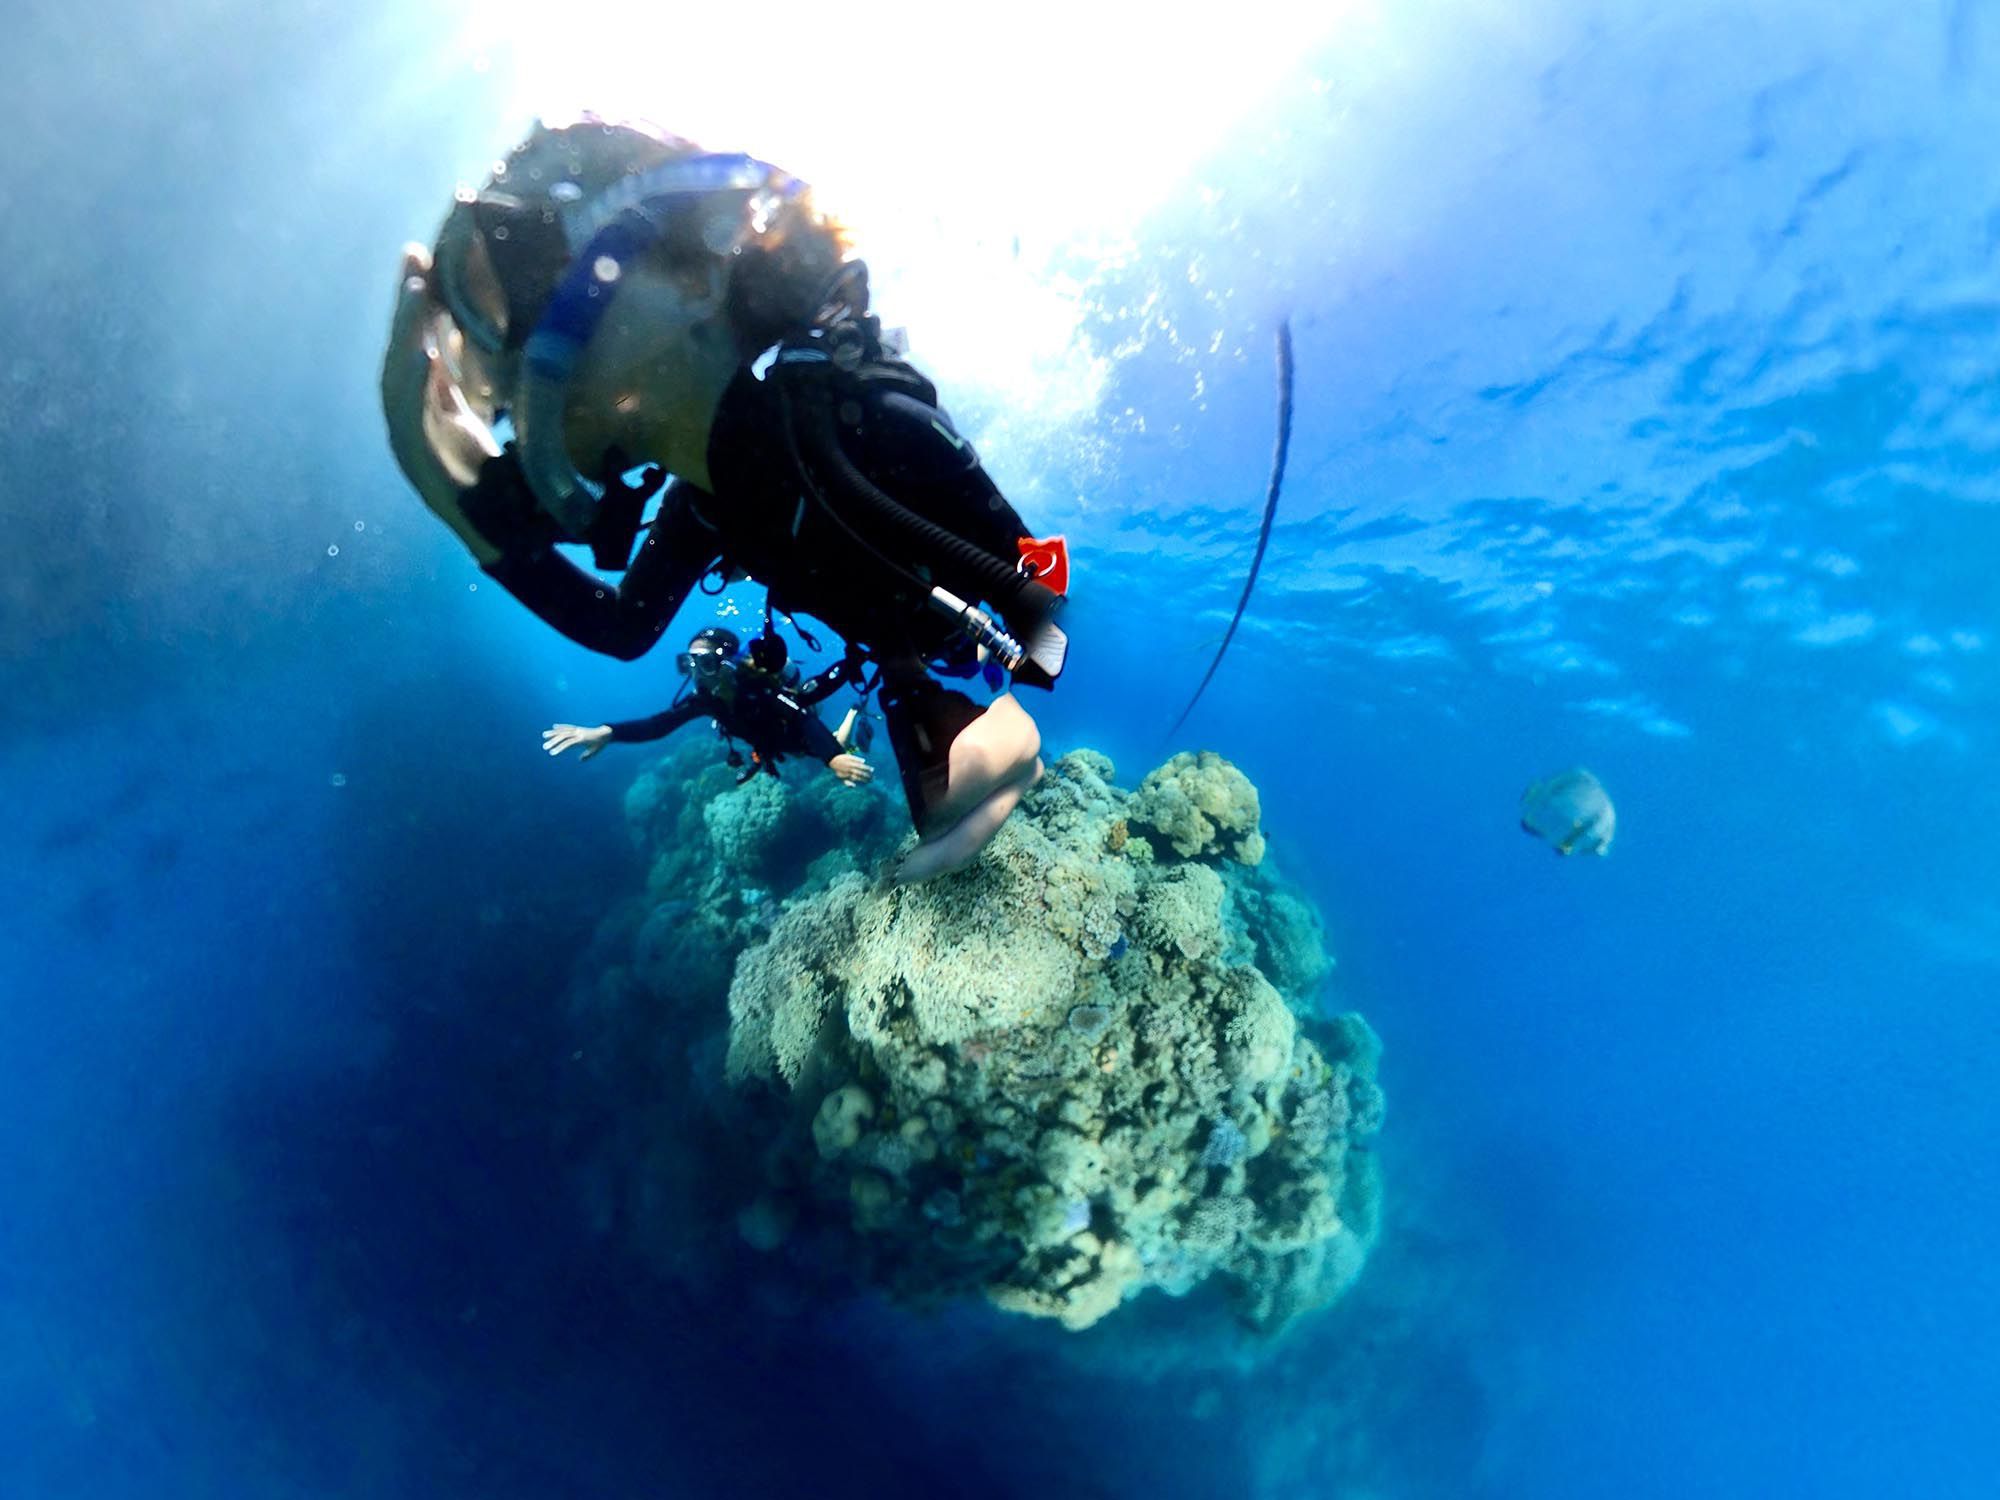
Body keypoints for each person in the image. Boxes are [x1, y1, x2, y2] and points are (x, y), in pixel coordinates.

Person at [382, 115, 1070, 881]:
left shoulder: (858, 418)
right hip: (904, 650)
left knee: (974, 722)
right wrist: (466, 514)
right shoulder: (703, 506)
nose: (507, 382)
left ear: (695, 281)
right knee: (939, 762)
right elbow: (623, 628)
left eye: (525, 292)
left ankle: (981, 717)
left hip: (956, 628)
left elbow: (1039, 592)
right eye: (484, 357)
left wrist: (1028, 670)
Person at [542, 626, 874, 785]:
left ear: (727, 664)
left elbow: (801, 718)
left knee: (838, 743)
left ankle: (854, 706)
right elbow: (659, 724)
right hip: (775, 745)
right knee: (824, 750)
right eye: (690, 664)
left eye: (706, 663)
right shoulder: (705, 701)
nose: (698, 674)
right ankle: (842, 732)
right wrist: (608, 732)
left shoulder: (755, 687)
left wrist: (832, 758)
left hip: (797, 735)